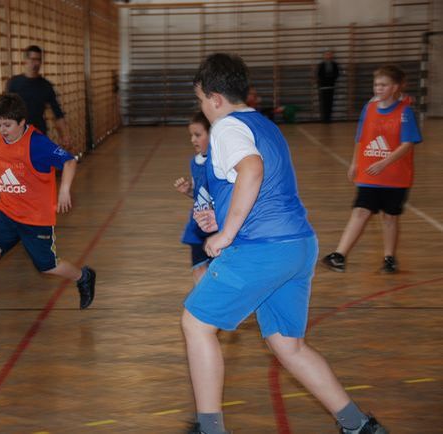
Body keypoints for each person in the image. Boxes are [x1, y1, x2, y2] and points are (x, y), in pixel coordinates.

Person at [183, 53, 388, 434]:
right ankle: (358, 425)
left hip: (262, 249)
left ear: (214, 99)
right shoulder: (262, 123)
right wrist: (223, 218)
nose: (202, 109)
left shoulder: (227, 127)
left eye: (200, 100)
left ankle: (210, 429)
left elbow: (253, 170)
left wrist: (226, 234)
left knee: (196, 324)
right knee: (287, 345)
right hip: (297, 246)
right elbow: (263, 184)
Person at [0, 93, 95, 327]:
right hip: (6, 210)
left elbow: (69, 161)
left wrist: (64, 189)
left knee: (48, 266)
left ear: (22, 122)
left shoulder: (37, 143)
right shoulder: (1, 136)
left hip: (35, 217)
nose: (2, 130)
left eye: (7, 125)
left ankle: (83, 276)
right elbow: (2, 150)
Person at [321, 65, 422, 274]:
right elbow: (360, 137)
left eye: (383, 85)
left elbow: (407, 144)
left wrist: (384, 163)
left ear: (394, 87)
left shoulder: (404, 112)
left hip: (395, 176)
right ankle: (339, 255)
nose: (378, 88)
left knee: (389, 217)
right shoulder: (369, 109)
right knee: (360, 211)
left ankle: (389, 258)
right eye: (376, 84)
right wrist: (355, 162)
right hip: (370, 175)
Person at [173, 112, 215, 284]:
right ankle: (204, 303)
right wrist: (189, 191)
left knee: (217, 268)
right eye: (191, 135)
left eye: (198, 135)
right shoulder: (194, 162)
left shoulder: (219, 163)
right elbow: (200, 196)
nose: (193, 140)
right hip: (197, 225)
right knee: (198, 267)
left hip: (217, 225)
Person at [5, 45, 72, 148]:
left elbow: (57, 113)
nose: (35, 63)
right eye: (32, 59)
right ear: (25, 60)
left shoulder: (46, 86)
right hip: (17, 135)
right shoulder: (14, 83)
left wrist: (65, 135)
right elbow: (5, 111)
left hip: (38, 134)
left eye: (38, 60)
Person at [317, 50, 340, 123]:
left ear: (332, 56)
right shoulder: (321, 65)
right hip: (323, 87)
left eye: (329, 54)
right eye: (326, 55)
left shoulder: (334, 64)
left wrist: (331, 78)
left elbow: (336, 74)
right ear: (324, 56)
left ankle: (329, 119)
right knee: (324, 103)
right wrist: (325, 79)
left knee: (330, 103)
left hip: (331, 86)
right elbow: (319, 75)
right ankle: (324, 119)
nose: (328, 56)